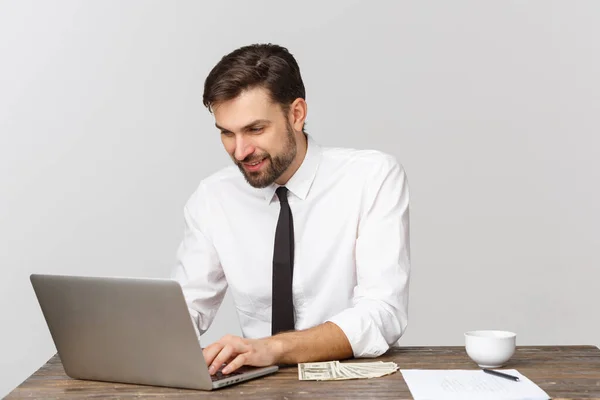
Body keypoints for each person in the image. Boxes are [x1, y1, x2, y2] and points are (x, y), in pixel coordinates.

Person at [171, 43, 410, 376]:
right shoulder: (213, 197)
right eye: (227, 133)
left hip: (350, 381)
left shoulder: (371, 177)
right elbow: (186, 309)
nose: (240, 151)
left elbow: (382, 313)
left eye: (255, 129)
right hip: (255, 385)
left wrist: (271, 348)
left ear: (296, 114)